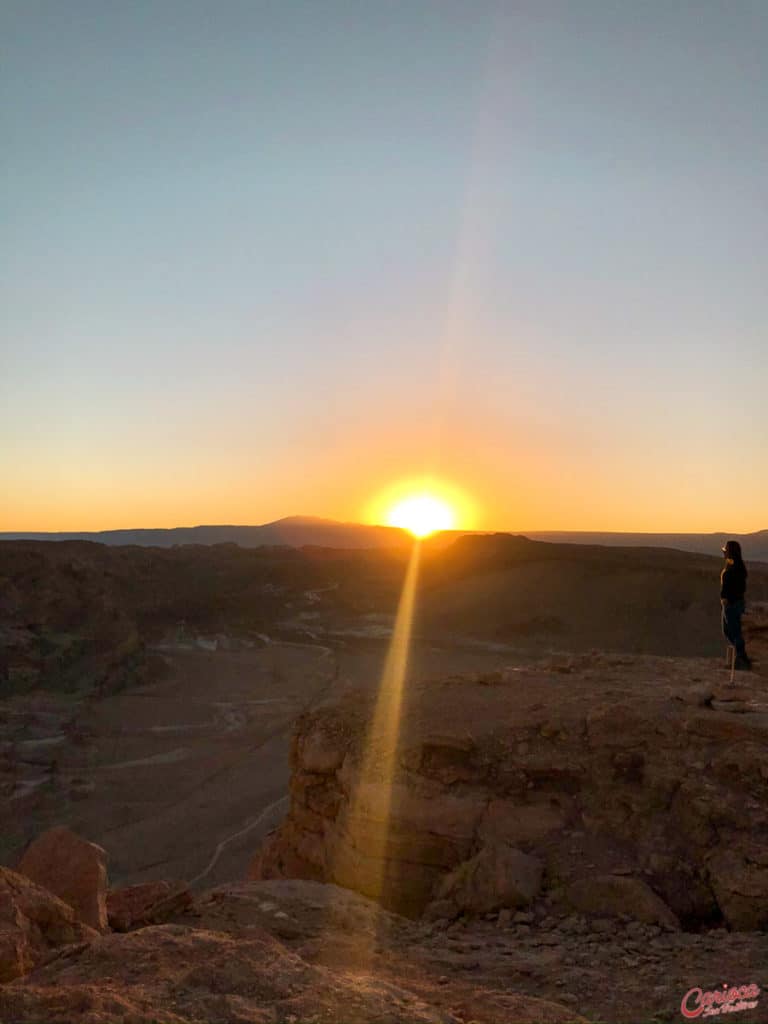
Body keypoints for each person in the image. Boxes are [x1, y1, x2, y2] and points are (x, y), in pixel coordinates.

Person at [720, 539, 751, 670]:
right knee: (730, 630)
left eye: (726, 551)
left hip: (731, 604)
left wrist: (726, 600)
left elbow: (729, 588)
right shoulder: (738, 567)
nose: (724, 554)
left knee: (733, 631)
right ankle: (741, 656)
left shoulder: (732, 570)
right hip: (736, 603)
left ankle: (742, 658)